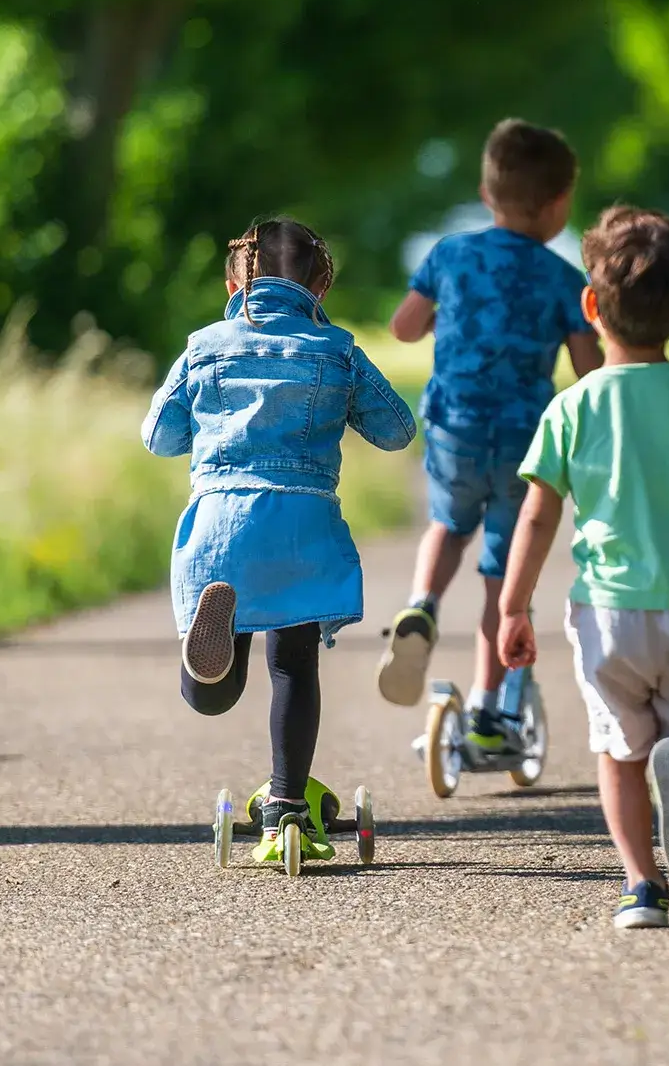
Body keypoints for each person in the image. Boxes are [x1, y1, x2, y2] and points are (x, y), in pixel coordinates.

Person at [496, 205, 669, 930]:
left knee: (617, 752)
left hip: (607, 611)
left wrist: (512, 606)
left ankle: (641, 886)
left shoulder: (570, 407)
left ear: (591, 306)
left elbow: (537, 514)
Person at [142, 218, 416, 864]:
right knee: (294, 664)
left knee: (217, 690)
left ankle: (203, 665)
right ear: (321, 284)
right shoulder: (336, 349)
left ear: (234, 282)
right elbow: (398, 430)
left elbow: (159, 435)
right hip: (301, 520)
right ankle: (287, 803)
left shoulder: (204, 344)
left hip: (219, 521)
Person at [375, 119, 603, 749]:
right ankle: (487, 713)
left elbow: (402, 327)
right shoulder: (563, 280)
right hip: (527, 441)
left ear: (486, 189)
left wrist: (443, 321)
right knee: (504, 575)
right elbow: (590, 373)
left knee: (447, 525)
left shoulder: (450, 256)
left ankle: (421, 604)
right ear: (559, 207)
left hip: (455, 426)